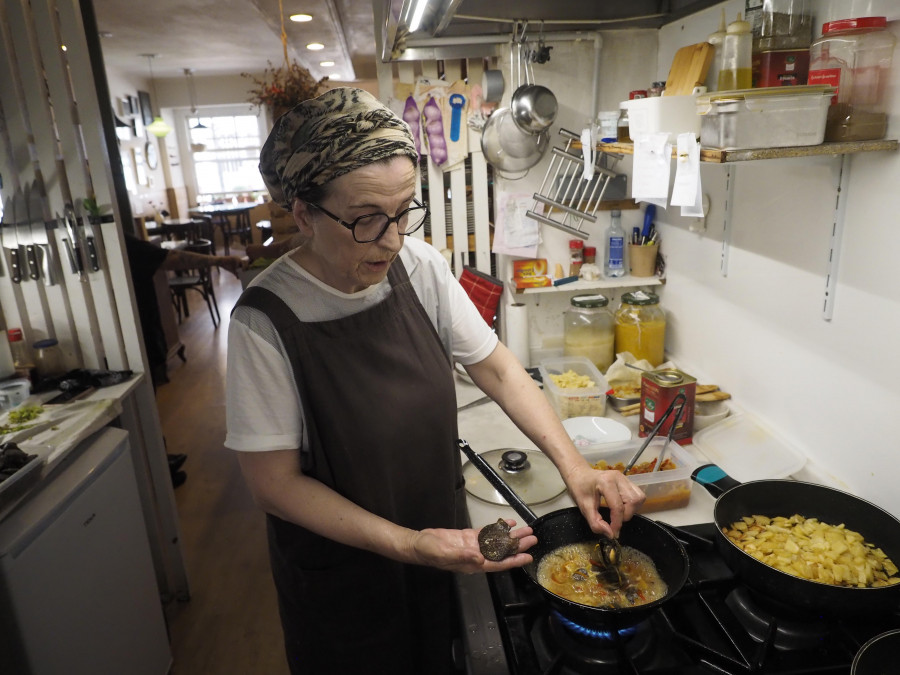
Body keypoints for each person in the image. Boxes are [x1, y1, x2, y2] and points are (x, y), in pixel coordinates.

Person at [224, 88, 645, 674]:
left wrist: (577, 468)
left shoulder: (418, 269)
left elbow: (498, 367)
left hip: (441, 545)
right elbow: (273, 485)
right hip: (345, 576)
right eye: (366, 219)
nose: (393, 239)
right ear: (305, 215)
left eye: (403, 211)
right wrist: (407, 543)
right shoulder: (265, 321)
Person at [124, 232, 243, 486]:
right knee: (144, 405)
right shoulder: (123, 242)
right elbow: (173, 258)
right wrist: (218, 261)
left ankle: (158, 458)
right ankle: (156, 467)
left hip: (130, 334)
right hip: (136, 334)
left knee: (146, 404)